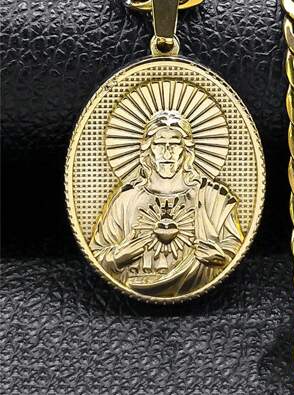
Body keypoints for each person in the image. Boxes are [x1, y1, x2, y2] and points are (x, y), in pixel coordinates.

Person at [90, 109, 243, 297]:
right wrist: (118, 257)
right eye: (159, 143)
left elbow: (234, 248)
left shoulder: (212, 197)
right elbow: (98, 254)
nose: (167, 152)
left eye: (175, 144)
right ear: (148, 150)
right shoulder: (126, 199)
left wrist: (220, 257)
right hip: (131, 289)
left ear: (186, 151)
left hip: (208, 294)